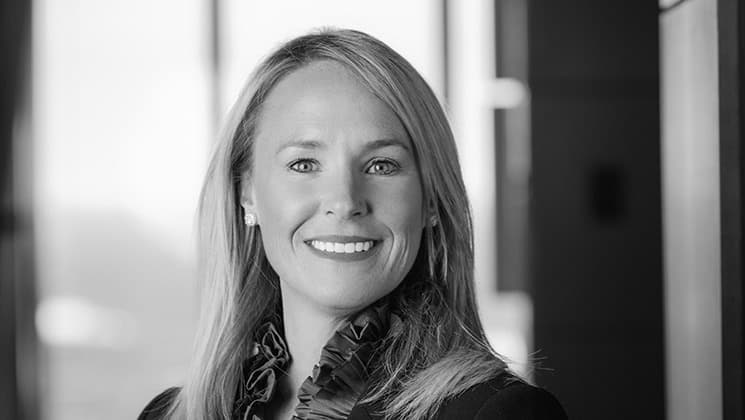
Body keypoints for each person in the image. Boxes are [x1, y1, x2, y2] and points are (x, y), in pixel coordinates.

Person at [138, 28, 567, 420]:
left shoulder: (498, 413)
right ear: (246, 191)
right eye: (304, 163)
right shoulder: (168, 415)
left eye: (382, 165)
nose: (345, 201)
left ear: (432, 199)